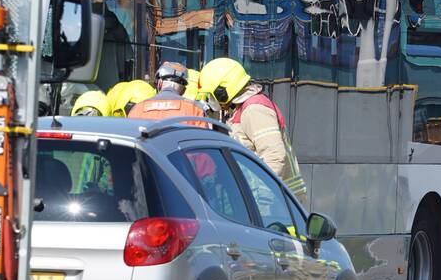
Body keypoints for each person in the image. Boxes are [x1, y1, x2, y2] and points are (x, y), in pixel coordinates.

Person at [197, 57, 307, 201]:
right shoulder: (237, 110)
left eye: (211, 95)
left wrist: (262, 200)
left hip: (276, 203)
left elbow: (274, 156)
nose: (210, 100)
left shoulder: (254, 109)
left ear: (222, 92)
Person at [127, 62, 208, 127]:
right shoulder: (195, 109)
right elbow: (204, 142)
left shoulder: (137, 109)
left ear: (159, 83)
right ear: (183, 90)